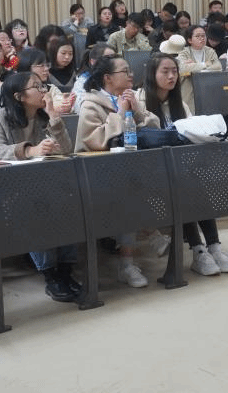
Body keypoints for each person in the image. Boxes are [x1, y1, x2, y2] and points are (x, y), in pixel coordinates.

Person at [136, 53, 228, 274]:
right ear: (152, 74)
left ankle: (214, 248)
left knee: (194, 185)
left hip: (181, 168)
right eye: (165, 71)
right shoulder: (139, 101)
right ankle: (198, 250)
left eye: (174, 71)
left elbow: (193, 135)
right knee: (184, 189)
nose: (171, 76)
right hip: (150, 172)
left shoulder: (179, 104)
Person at [0, 72, 78, 301]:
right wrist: (30, 150)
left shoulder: (44, 116)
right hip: (11, 188)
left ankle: (66, 270)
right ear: (19, 96)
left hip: (45, 184)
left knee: (71, 202)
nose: (44, 90)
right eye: (37, 87)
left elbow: (67, 149)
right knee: (36, 208)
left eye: (43, 85)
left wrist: (54, 116)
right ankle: (50, 274)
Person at [74, 55, 160, 287]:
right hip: (96, 176)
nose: (131, 75)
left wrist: (137, 110)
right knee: (129, 193)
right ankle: (129, 261)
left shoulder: (130, 97)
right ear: (108, 78)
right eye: (125, 71)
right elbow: (95, 141)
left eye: (130, 70)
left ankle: (163, 238)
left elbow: (155, 127)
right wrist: (121, 113)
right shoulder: (90, 104)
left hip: (129, 171)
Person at [177, 26, 222, 112]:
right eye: (197, 36)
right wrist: (205, 64)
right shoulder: (184, 52)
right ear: (190, 40)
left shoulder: (210, 51)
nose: (202, 38)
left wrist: (194, 67)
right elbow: (183, 68)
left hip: (208, 88)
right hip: (189, 88)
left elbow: (218, 67)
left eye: (203, 35)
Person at [17, 48, 75, 114]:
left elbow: (59, 103)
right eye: (41, 65)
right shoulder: (16, 88)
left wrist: (65, 105)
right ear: (26, 66)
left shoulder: (50, 88)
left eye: (47, 65)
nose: (46, 69)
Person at [71, 43, 115, 113]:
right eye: (107, 58)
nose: (113, 62)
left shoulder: (119, 76)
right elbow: (80, 108)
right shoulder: (82, 81)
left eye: (114, 58)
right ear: (93, 61)